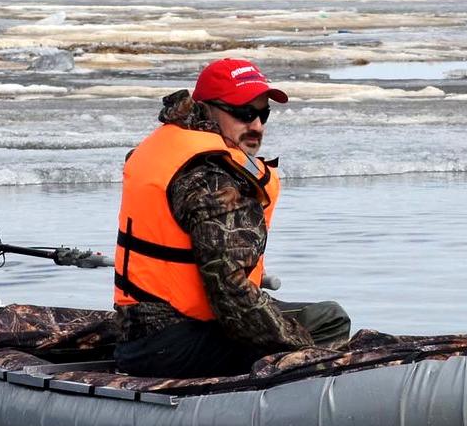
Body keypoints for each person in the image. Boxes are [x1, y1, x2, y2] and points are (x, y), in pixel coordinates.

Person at [113, 58, 349, 378]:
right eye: (243, 113)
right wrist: (299, 346)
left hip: (145, 333)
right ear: (208, 109)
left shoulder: (170, 145)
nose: (256, 125)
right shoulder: (212, 177)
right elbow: (231, 294)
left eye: (262, 113)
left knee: (318, 317)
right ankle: (282, 402)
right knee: (328, 321)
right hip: (175, 344)